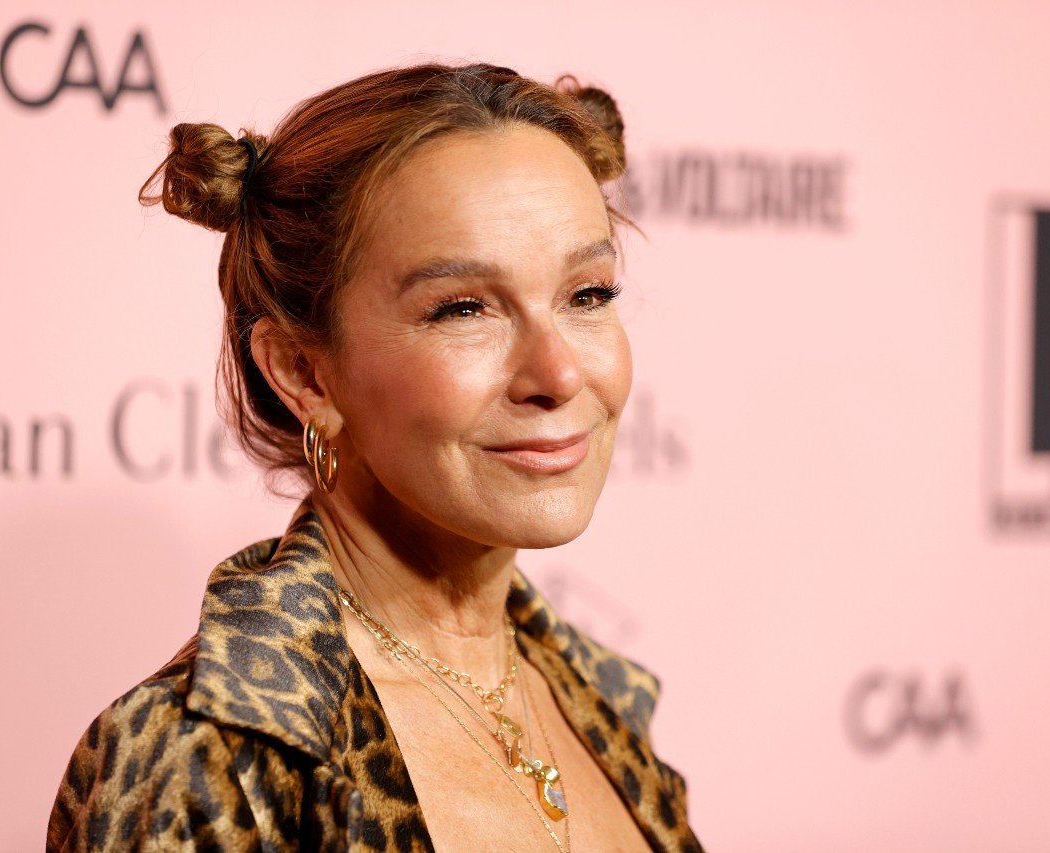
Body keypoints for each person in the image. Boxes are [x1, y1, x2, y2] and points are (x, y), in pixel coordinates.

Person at [47, 61, 702, 852]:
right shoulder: (208, 758)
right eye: (463, 308)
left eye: (588, 295)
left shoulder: (602, 703)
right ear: (304, 371)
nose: (560, 374)